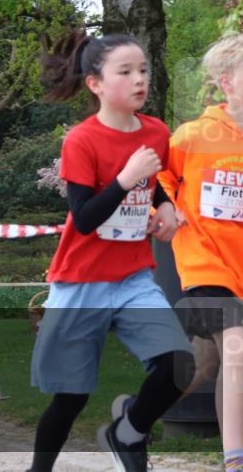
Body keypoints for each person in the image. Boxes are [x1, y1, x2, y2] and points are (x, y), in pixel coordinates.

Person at [27, 31, 195, 472]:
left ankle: (128, 433)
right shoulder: (81, 141)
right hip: (82, 282)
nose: (139, 79)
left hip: (133, 277)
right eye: (126, 72)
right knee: (71, 397)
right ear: (95, 84)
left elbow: (156, 183)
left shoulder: (156, 132)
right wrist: (125, 178)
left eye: (143, 70)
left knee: (179, 365)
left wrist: (165, 208)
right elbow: (83, 218)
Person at [157, 32, 243, 472]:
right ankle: (235, 460)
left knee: (206, 364)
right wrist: (167, 210)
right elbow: (156, 179)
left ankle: (133, 415)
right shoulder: (193, 136)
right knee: (236, 348)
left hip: (240, 269)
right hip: (203, 265)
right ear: (226, 83)